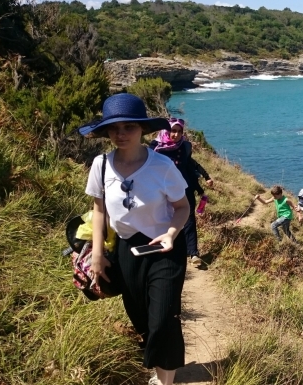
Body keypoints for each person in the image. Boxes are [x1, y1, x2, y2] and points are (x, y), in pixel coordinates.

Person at [79, 93, 189, 385]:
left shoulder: (162, 166)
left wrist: (171, 233)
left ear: (142, 129)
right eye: (114, 128)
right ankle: (158, 367)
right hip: (127, 250)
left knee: (164, 317)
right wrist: (98, 255)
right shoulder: (101, 165)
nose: (121, 133)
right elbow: (99, 210)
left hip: (165, 249)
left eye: (129, 126)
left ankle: (166, 381)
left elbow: (183, 207)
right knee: (141, 317)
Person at [149, 117, 212, 266]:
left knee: (189, 220)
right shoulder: (154, 148)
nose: (175, 134)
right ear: (166, 130)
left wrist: (204, 179)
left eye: (179, 131)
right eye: (172, 131)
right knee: (164, 219)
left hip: (184, 189)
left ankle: (193, 254)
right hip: (162, 191)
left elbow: (190, 165)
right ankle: (167, 249)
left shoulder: (185, 146)